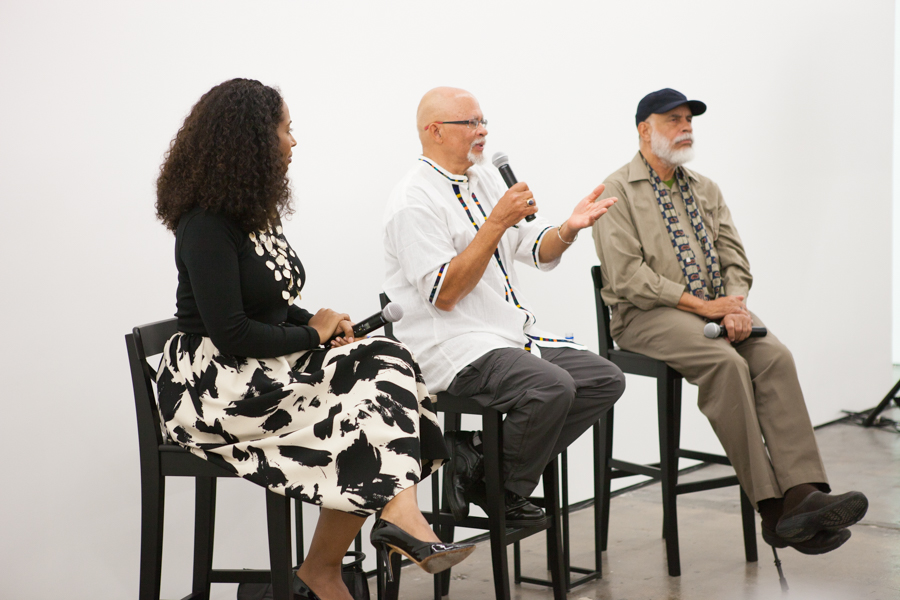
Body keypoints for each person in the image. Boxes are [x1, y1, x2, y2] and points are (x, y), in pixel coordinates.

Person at [154, 78, 474, 600]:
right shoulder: (205, 224)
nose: (293, 141)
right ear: (253, 140)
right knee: (365, 406)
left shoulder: (253, 212)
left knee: (384, 356)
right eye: (286, 129)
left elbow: (269, 301)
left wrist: (322, 325)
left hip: (261, 367)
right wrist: (310, 333)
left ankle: (377, 532)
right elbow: (230, 332)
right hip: (215, 388)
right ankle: (358, 545)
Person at [592, 88, 868, 555]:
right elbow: (628, 276)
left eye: (689, 120)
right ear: (645, 129)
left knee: (774, 356)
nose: (686, 127)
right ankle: (773, 509)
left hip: (718, 309)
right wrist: (704, 308)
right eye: (674, 119)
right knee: (727, 364)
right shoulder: (614, 191)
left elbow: (734, 258)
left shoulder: (705, 189)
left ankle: (803, 494)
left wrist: (735, 305)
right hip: (646, 317)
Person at [383, 87, 626, 527]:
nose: (483, 132)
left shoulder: (485, 178)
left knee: (602, 379)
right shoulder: (412, 201)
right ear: (435, 131)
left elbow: (535, 249)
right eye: (471, 123)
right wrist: (496, 221)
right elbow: (445, 293)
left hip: (505, 338)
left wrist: (570, 228)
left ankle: (479, 463)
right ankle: (502, 488)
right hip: (451, 346)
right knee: (551, 387)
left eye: (483, 121)